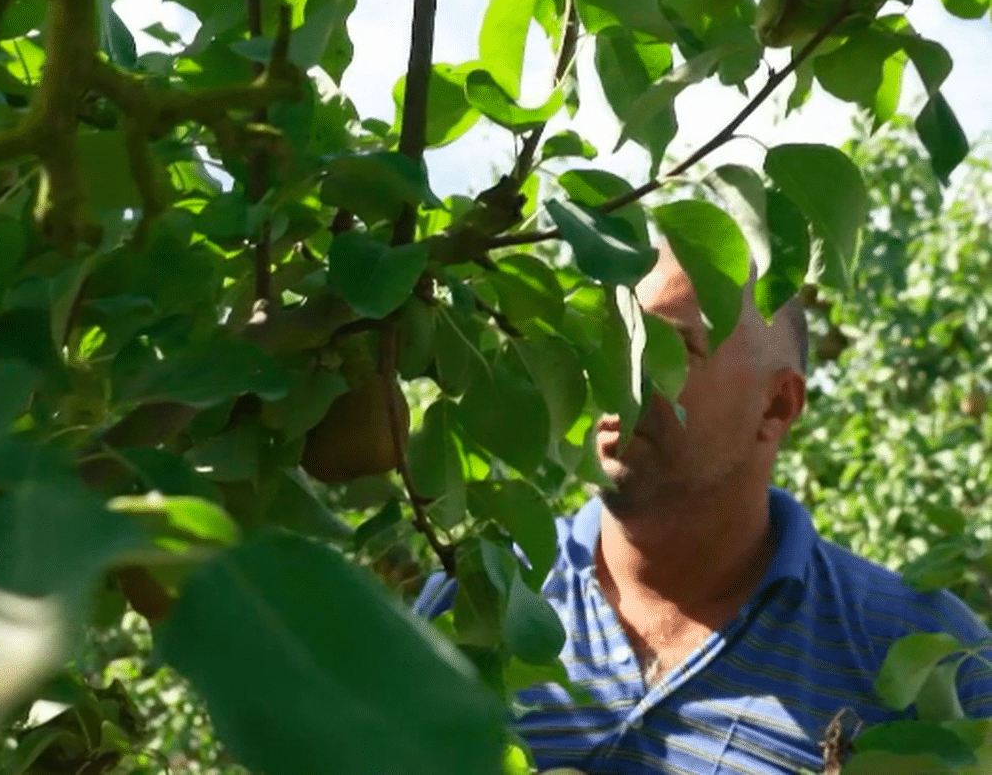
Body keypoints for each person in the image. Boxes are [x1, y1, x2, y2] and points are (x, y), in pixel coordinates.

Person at [413, 244, 992, 774]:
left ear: (777, 404)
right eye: (610, 342)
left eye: (667, 346)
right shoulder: (485, 590)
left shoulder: (921, 651)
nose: (618, 373)